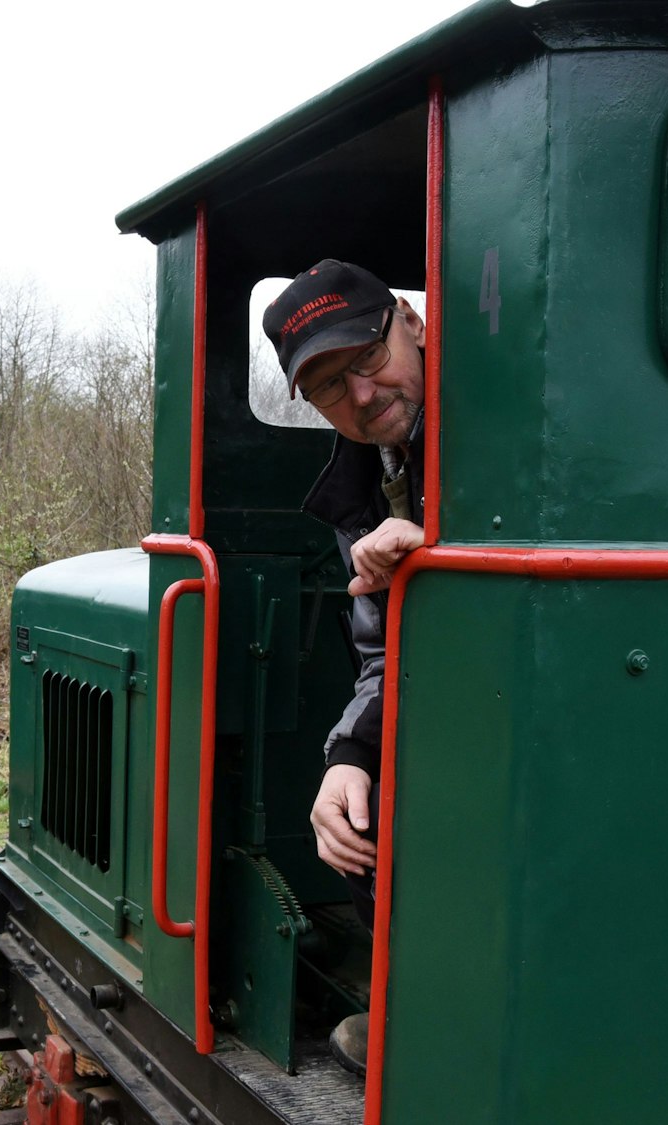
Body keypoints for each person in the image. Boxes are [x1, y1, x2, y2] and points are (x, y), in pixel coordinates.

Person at [261, 260, 431, 1077]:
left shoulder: (508, 428)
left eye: (367, 358)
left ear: (412, 321)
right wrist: (345, 759)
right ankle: (416, 1005)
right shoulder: (362, 487)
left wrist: (441, 559)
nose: (360, 396)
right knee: (353, 814)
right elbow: (378, 654)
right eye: (331, 387)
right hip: (454, 706)